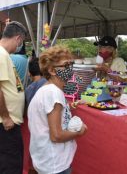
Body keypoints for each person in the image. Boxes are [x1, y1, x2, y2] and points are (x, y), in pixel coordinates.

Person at [28, 45, 87, 174]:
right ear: (52, 70)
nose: (70, 68)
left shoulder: (48, 90)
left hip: (48, 161)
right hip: (54, 164)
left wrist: (71, 105)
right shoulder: (53, 93)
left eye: (71, 64)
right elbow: (56, 135)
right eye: (66, 65)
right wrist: (80, 132)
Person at [0, 21, 27, 174]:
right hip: (6, 124)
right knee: (10, 166)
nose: (20, 46)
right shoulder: (1, 54)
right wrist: (5, 117)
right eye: (21, 42)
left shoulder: (5, 55)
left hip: (8, 123)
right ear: (17, 39)